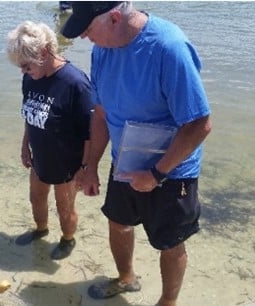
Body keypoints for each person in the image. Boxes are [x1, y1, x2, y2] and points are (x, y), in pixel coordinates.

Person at [61, 2, 212, 305]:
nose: (84, 38)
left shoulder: (168, 48)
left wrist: (157, 173)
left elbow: (200, 124)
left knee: (170, 243)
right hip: (126, 160)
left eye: (88, 29)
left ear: (114, 18)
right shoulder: (101, 50)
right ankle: (126, 277)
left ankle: (167, 301)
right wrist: (91, 166)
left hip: (171, 171)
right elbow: (101, 114)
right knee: (118, 222)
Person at [7, 21, 92, 260]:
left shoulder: (75, 83)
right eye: (20, 67)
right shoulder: (31, 78)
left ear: (44, 52)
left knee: (64, 207)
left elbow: (90, 132)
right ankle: (41, 229)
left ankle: (67, 239)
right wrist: (25, 146)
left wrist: (85, 168)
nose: (23, 71)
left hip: (67, 164)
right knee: (36, 199)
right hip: (40, 158)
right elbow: (29, 114)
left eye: (26, 65)